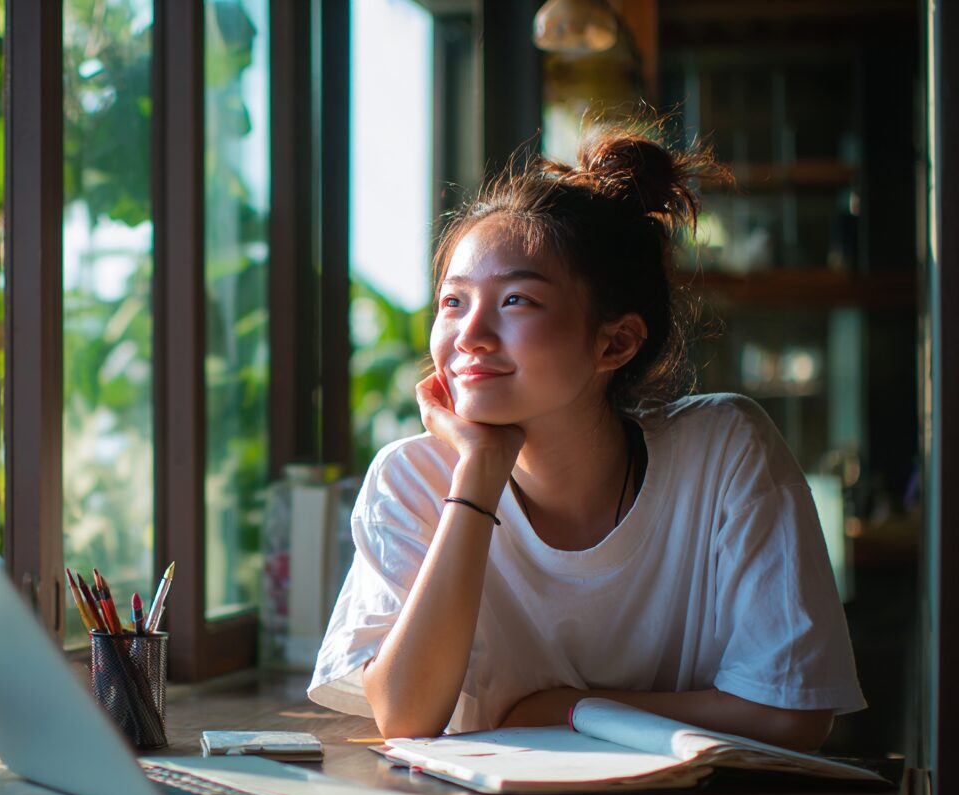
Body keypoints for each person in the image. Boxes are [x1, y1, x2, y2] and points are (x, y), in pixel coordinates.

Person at [307, 126, 865, 752]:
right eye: (453, 302)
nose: (469, 335)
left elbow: (795, 716)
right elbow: (406, 716)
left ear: (614, 342)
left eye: (515, 300)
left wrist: (569, 709)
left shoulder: (724, 450)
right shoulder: (412, 478)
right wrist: (480, 471)